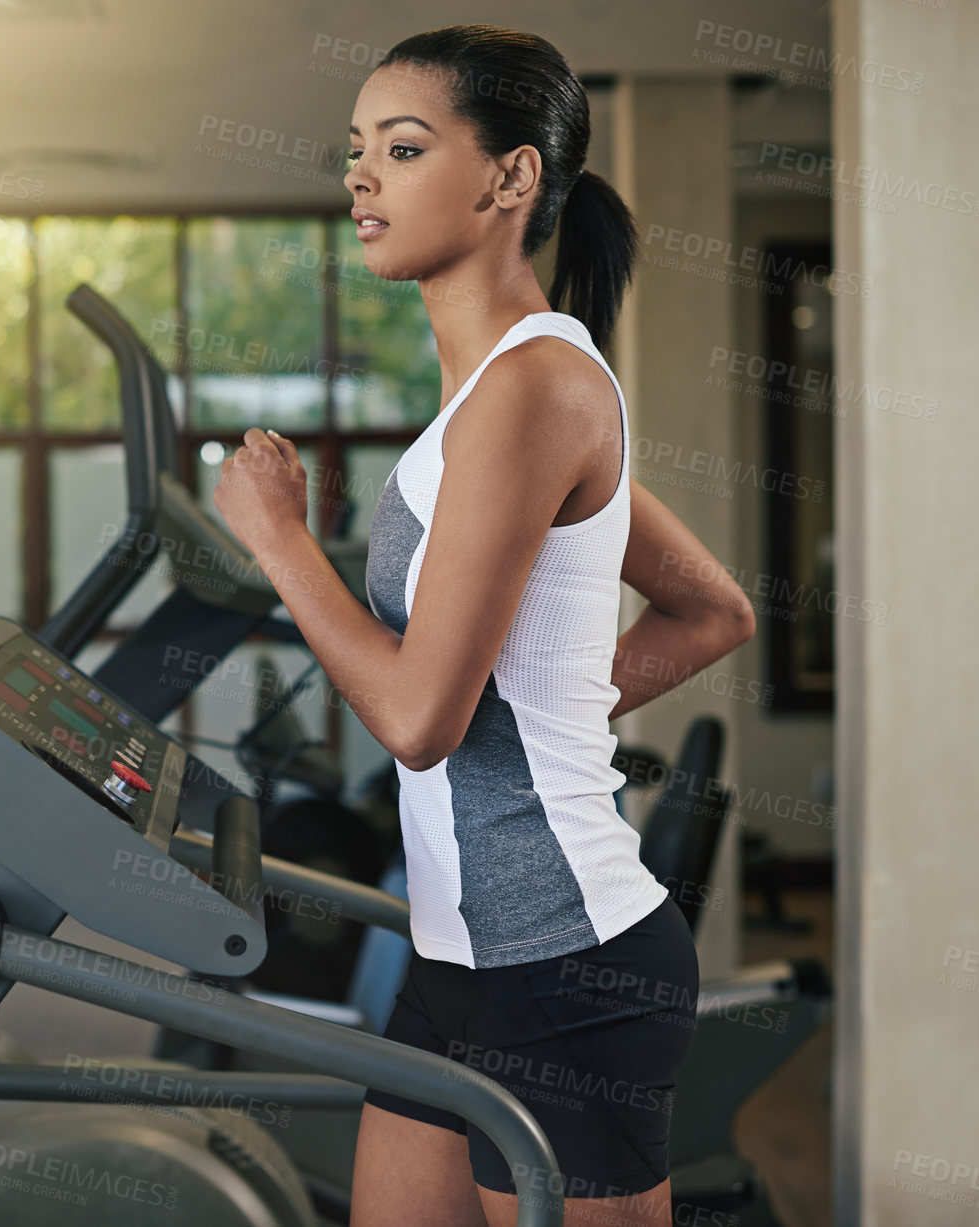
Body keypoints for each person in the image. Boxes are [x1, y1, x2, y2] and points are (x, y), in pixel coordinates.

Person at [211, 24, 758, 1227]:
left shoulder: (535, 388)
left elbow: (417, 720)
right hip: (460, 950)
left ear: (513, 178)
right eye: (355, 151)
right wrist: (559, 703)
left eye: (401, 149)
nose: (360, 175)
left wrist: (280, 542)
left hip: (569, 967)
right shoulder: (494, 396)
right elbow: (713, 609)